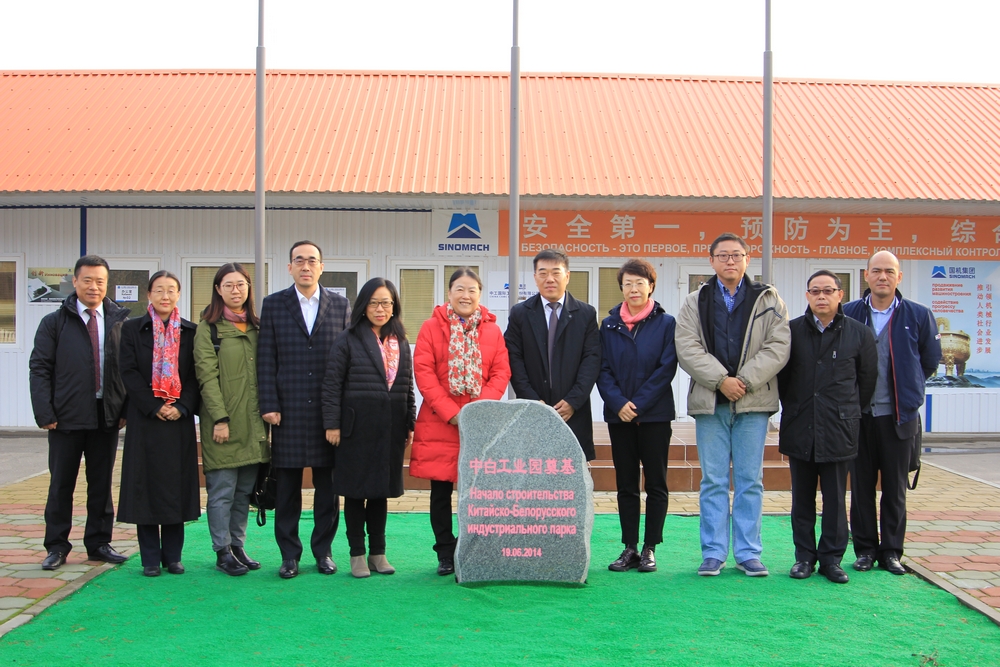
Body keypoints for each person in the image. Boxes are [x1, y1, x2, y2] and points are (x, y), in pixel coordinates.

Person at [676, 232, 790, 577]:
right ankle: (713, 552)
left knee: (749, 480)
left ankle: (748, 553)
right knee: (712, 480)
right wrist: (721, 381)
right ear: (711, 260)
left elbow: (778, 346)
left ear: (747, 260)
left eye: (736, 255)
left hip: (753, 402)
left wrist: (744, 382)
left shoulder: (768, 299)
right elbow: (687, 346)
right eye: (723, 255)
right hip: (710, 402)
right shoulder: (695, 301)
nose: (730, 261)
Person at [29, 255, 130, 570]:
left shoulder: (118, 322)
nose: (94, 286)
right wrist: (44, 412)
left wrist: (124, 409)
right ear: (74, 282)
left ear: (107, 284)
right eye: (87, 280)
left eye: (100, 281)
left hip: (106, 416)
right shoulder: (54, 322)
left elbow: (129, 370)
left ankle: (99, 543)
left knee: (101, 485)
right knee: (61, 484)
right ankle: (56, 546)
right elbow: (40, 368)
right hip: (65, 417)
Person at [844, 251, 941, 576]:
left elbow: (929, 361)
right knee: (861, 488)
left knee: (895, 489)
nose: (882, 276)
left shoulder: (918, 315)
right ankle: (865, 550)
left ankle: (891, 552)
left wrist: (908, 388)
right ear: (866, 276)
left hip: (899, 417)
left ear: (899, 277)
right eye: (876, 271)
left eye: (889, 271)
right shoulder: (850, 313)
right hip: (858, 417)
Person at [257, 241, 351, 579]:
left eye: (312, 261)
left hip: (327, 411)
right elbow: (265, 358)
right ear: (290, 267)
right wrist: (269, 403)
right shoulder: (274, 304)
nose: (306, 266)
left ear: (322, 267)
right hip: (289, 410)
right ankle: (289, 555)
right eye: (299, 260)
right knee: (287, 488)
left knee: (328, 488)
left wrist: (341, 410)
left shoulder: (340, 305)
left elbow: (347, 361)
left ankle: (323, 552)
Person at [410, 268, 512, 576]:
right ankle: (445, 552)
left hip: (479, 424)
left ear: (479, 294)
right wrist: (450, 411)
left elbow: (501, 372)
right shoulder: (431, 327)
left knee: (479, 491)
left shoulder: (493, 330)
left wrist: (477, 410)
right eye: (459, 289)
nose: (465, 296)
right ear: (449, 293)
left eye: (472, 290)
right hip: (440, 421)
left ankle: (475, 549)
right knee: (440, 492)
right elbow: (424, 372)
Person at [777, 270, 877, 584]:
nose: (822, 296)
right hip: (801, 424)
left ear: (840, 295)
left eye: (828, 290)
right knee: (801, 498)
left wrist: (844, 411)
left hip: (839, 427)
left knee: (835, 499)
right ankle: (804, 558)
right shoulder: (791, 331)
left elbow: (866, 382)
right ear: (807, 295)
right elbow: (783, 380)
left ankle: (832, 560)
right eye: (815, 291)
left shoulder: (859, 333)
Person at [323, 278, 416, 578]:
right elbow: (332, 385)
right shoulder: (348, 339)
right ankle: (357, 555)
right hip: (356, 430)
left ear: (394, 306)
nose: (380, 309)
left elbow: (407, 386)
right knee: (355, 492)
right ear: (363, 306)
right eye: (374, 303)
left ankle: (378, 553)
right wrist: (332, 424)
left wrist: (410, 422)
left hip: (390, 430)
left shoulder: (400, 341)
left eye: (386, 303)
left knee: (380, 493)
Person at [117, 271, 201, 577]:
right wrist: (154, 406)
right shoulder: (132, 329)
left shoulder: (191, 332)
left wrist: (181, 407)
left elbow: (195, 376)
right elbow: (127, 372)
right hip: (145, 419)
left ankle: (174, 557)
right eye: (159, 290)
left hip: (178, 421)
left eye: (171, 290)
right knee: (145, 488)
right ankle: (150, 558)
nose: (165, 296)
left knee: (176, 487)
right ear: (149, 295)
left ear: (178, 294)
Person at [597, 259, 678, 574]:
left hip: (655, 415)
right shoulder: (608, 325)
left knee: (656, 483)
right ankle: (629, 546)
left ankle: (650, 547)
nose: (634, 289)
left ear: (651, 286)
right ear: (621, 288)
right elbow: (602, 368)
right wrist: (619, 403)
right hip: (619, 418)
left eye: (640, 283)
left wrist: (639, 404)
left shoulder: (666, 323)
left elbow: (666, 368)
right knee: (626, 484)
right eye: (628, 283)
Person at [193, 263, 270, 577]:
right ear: (218, 289)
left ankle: (238, 546)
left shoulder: (257, 327)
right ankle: (221, 550)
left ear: (248, 288)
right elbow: (206, 378)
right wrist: (220, 419)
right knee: (222, 490)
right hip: (224, 424)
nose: (235, 290)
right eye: (228, 285)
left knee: (243, 492)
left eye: (240, 284)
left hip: (254, 425)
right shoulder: (208, 329)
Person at [504, 249, 601, 460]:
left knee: (571, 467)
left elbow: (592, 359)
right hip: (533, 408)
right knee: (533, 466)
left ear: (567, 276)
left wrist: (573, 400)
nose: (550, 279)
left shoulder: (585, 314)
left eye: (556, 272)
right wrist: (531, 399)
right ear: (535, 277)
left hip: (573, 410)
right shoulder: (520, 313)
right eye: (543, 273)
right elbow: (513, 358)